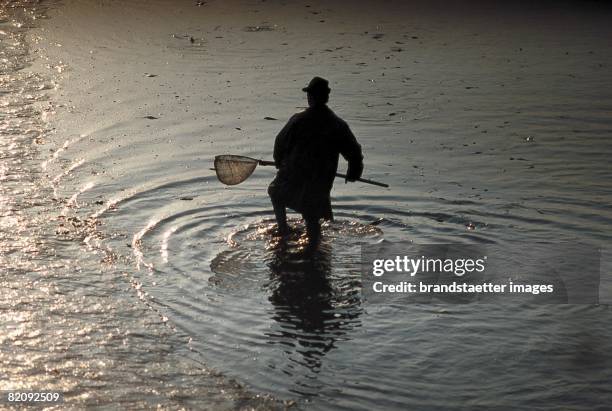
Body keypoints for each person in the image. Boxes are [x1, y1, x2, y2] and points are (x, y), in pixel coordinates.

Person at [268, 76, 364, 248]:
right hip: (320, 182)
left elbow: (279, 144)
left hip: (294, 178)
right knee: (313, 218)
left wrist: (279, 162)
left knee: (275, 192)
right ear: (326, 97)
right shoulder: (338, 125)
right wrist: (353, 173)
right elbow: (354, 154)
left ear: (311, 97)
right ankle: (314, 251)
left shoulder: (298, 120)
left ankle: (283, 229)